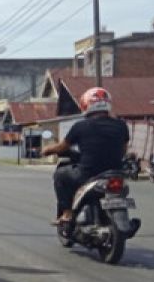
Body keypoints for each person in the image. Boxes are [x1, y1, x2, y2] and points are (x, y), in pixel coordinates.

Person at [40, 87, 130, 224]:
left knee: (60, 175)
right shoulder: (121, 125)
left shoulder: (81, 126)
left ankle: (67, 213)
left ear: (86, 105)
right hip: (116, 173)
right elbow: (124, 150)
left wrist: (47, 149)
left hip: (88, 173)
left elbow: (62, 147)